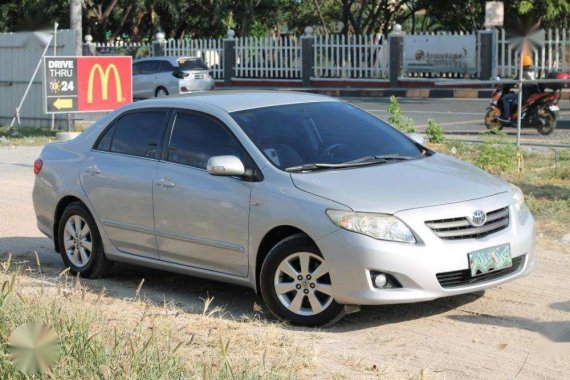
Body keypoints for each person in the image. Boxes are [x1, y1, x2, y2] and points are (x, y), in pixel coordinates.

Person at [498, 55, 542, 123]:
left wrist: (505, 84)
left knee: (505, 98)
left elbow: (515, 80)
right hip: (533, 92)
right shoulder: (532, 71)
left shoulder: (522, 72)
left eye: (520, 62)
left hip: (525, 94)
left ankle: (507, 116)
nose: (519, 64)